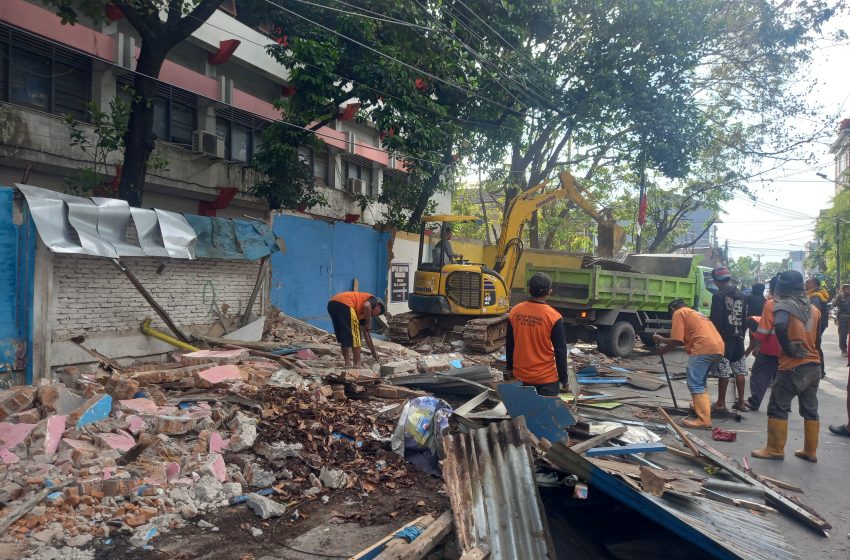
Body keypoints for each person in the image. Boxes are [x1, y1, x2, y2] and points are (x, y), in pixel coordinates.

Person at [752, 270, 822, 462]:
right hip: (813, 364)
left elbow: (781, 326)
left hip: (793, 366)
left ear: (782, 286)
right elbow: (818, 338)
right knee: (810, 408)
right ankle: (810, 451)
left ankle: (774, 449)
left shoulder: (783, 306)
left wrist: (788, 346)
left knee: (777, 406)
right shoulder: (814, 310)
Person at [654, 299, 725, 429]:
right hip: (717, 348)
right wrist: (663, 339)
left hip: (703, 348)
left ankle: (704, 420)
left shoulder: (678, 313)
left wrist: (662, 351)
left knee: (695, 383)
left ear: (672, 309)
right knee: (700, 381)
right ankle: (699, 407)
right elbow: (682, 338)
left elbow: (677, 341)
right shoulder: (695, 313)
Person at [506, 272, 569, 397]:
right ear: (549, 292)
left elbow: (509, 344)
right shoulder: (554, 317)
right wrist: (564, 379)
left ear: (529, 290)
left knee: (522, 416)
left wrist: (510, 368)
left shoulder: (515, 311)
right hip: (547, 382)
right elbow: (560, 351)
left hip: (521, 380)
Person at [708, 266, 748, 412]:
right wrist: (742, 333)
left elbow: (716, 320)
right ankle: (741, 402)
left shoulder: (718, 296)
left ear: (716, 281)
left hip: (724, 339)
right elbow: (744, 318)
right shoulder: (742, 295)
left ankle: (720, 403)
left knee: (723, 372)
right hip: (739, 337)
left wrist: (714, 338)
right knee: (740, 370)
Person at [745, 275, 781, 411]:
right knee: (782, 377)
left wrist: (757, 345)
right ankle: (782, 405)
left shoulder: (771, 303)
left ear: (772, 288)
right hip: (790, 349)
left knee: (759, 373)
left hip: (770, 346)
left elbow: (764, 328)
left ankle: (754, 402)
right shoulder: (805, 305)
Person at [326, 291, 385, 367]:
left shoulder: (361, 314)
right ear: (378, 306)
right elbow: (367, 306)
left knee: (343, 336)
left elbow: (366, 334)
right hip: (346, 304)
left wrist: (373, 352)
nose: (375, 315)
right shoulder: (374, 300)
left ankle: (347, 363)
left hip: (332, 304)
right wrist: (368, 323)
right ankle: (357, 364)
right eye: (378, 313)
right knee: (356, 338)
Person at [806, 277, 830, 376]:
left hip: (817, 325)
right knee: (815, 346)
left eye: (808, 282)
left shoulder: (815, 296)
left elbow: (814, 313)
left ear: (814, 284)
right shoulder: (815, 294)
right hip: (819, 324)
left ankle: (820, 370)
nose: (805, 284)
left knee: (815, 346)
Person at [831, 283, 850, 356]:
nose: (848, 290)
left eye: (849, 288)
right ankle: (844, 350)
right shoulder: (840, 296)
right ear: (843, 290)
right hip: (843, 318)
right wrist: (838, 298)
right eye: (847, 289)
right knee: (843, 335)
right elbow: (834, 305)